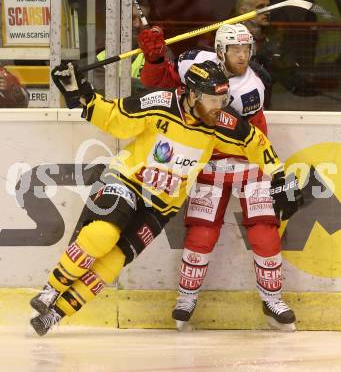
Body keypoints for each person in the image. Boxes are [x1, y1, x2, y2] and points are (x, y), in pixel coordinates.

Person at [29, 60, 302, 336]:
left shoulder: (220, 122)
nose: (219, 107)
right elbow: (115, 118)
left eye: (223, 99)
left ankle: (57, 313)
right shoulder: (159, 102)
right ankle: (52, 288)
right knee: (102, 235)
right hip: (128, 181)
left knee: (115, 260)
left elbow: (255, 142)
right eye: (212, 99)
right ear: (193, 95)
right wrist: (82, 94)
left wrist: (280, 177)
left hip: (162, 205)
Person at [138, 23, 299, 331]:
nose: (242, 56)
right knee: (201, 232)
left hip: (249, 164)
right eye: (235, 50)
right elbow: (156, 84)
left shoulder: (253, 87)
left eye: (246, 50)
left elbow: (251, 136)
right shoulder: (193, 63)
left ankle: (272, 299)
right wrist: (156, 60)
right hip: (209, 164)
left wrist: (276, 172)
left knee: (265, 230)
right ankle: (186, 297)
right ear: (220, 51)